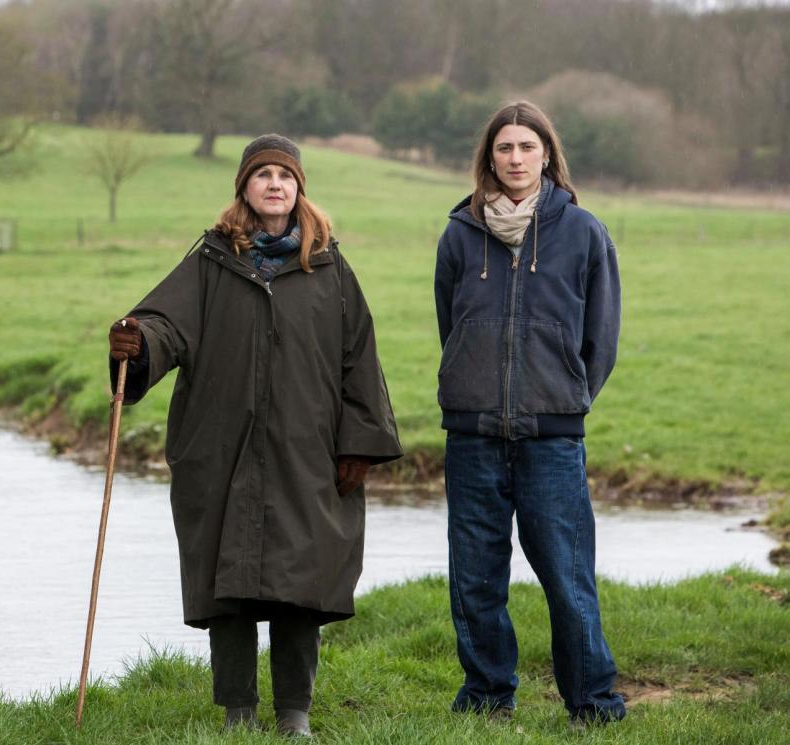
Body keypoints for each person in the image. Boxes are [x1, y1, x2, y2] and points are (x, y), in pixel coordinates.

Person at [107, 134, 402, 737]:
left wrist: (359, 446)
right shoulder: (211, 263)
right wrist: (137, 342)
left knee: (302, 583)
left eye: (286, 176)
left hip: (307, 452)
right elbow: (166, 325)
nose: (275, 184)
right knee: (230, 582)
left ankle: (295, 713)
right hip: (220, 448)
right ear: (244, 186)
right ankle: (238, 711)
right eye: (262, 174)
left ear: (300, 189)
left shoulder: (330, 269)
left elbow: (360, 360)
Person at [433, 101, 626, 725]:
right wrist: (475, 387)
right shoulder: (460, 233)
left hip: (551, 439)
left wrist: (564, 398)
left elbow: (601, 339)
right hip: (473, 436)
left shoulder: (584, 232)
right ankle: (488, 697)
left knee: (569, 581)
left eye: (527, 148)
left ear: (547, 155)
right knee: (475, 581)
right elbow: (450, 324)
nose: (515, 159)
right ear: (489, 157)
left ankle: (592, 703)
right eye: (504, 149)